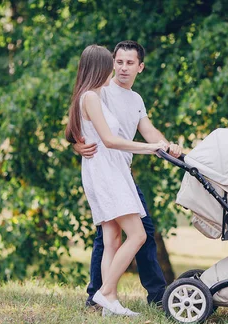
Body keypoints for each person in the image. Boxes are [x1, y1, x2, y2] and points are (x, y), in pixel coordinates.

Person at [73, 41, 182, 307]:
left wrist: (168, 146)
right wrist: (76, 143)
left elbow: (149, 130)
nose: (122, 68)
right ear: (111, 63)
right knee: (122, 234)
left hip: (122, 170)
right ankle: (106, 294)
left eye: (129, 63)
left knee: (118, 234)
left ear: (140, 67)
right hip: (107, 169)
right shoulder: (101, 89)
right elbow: (81, 118)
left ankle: (104, 296)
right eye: (118, 62)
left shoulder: (136, 100)